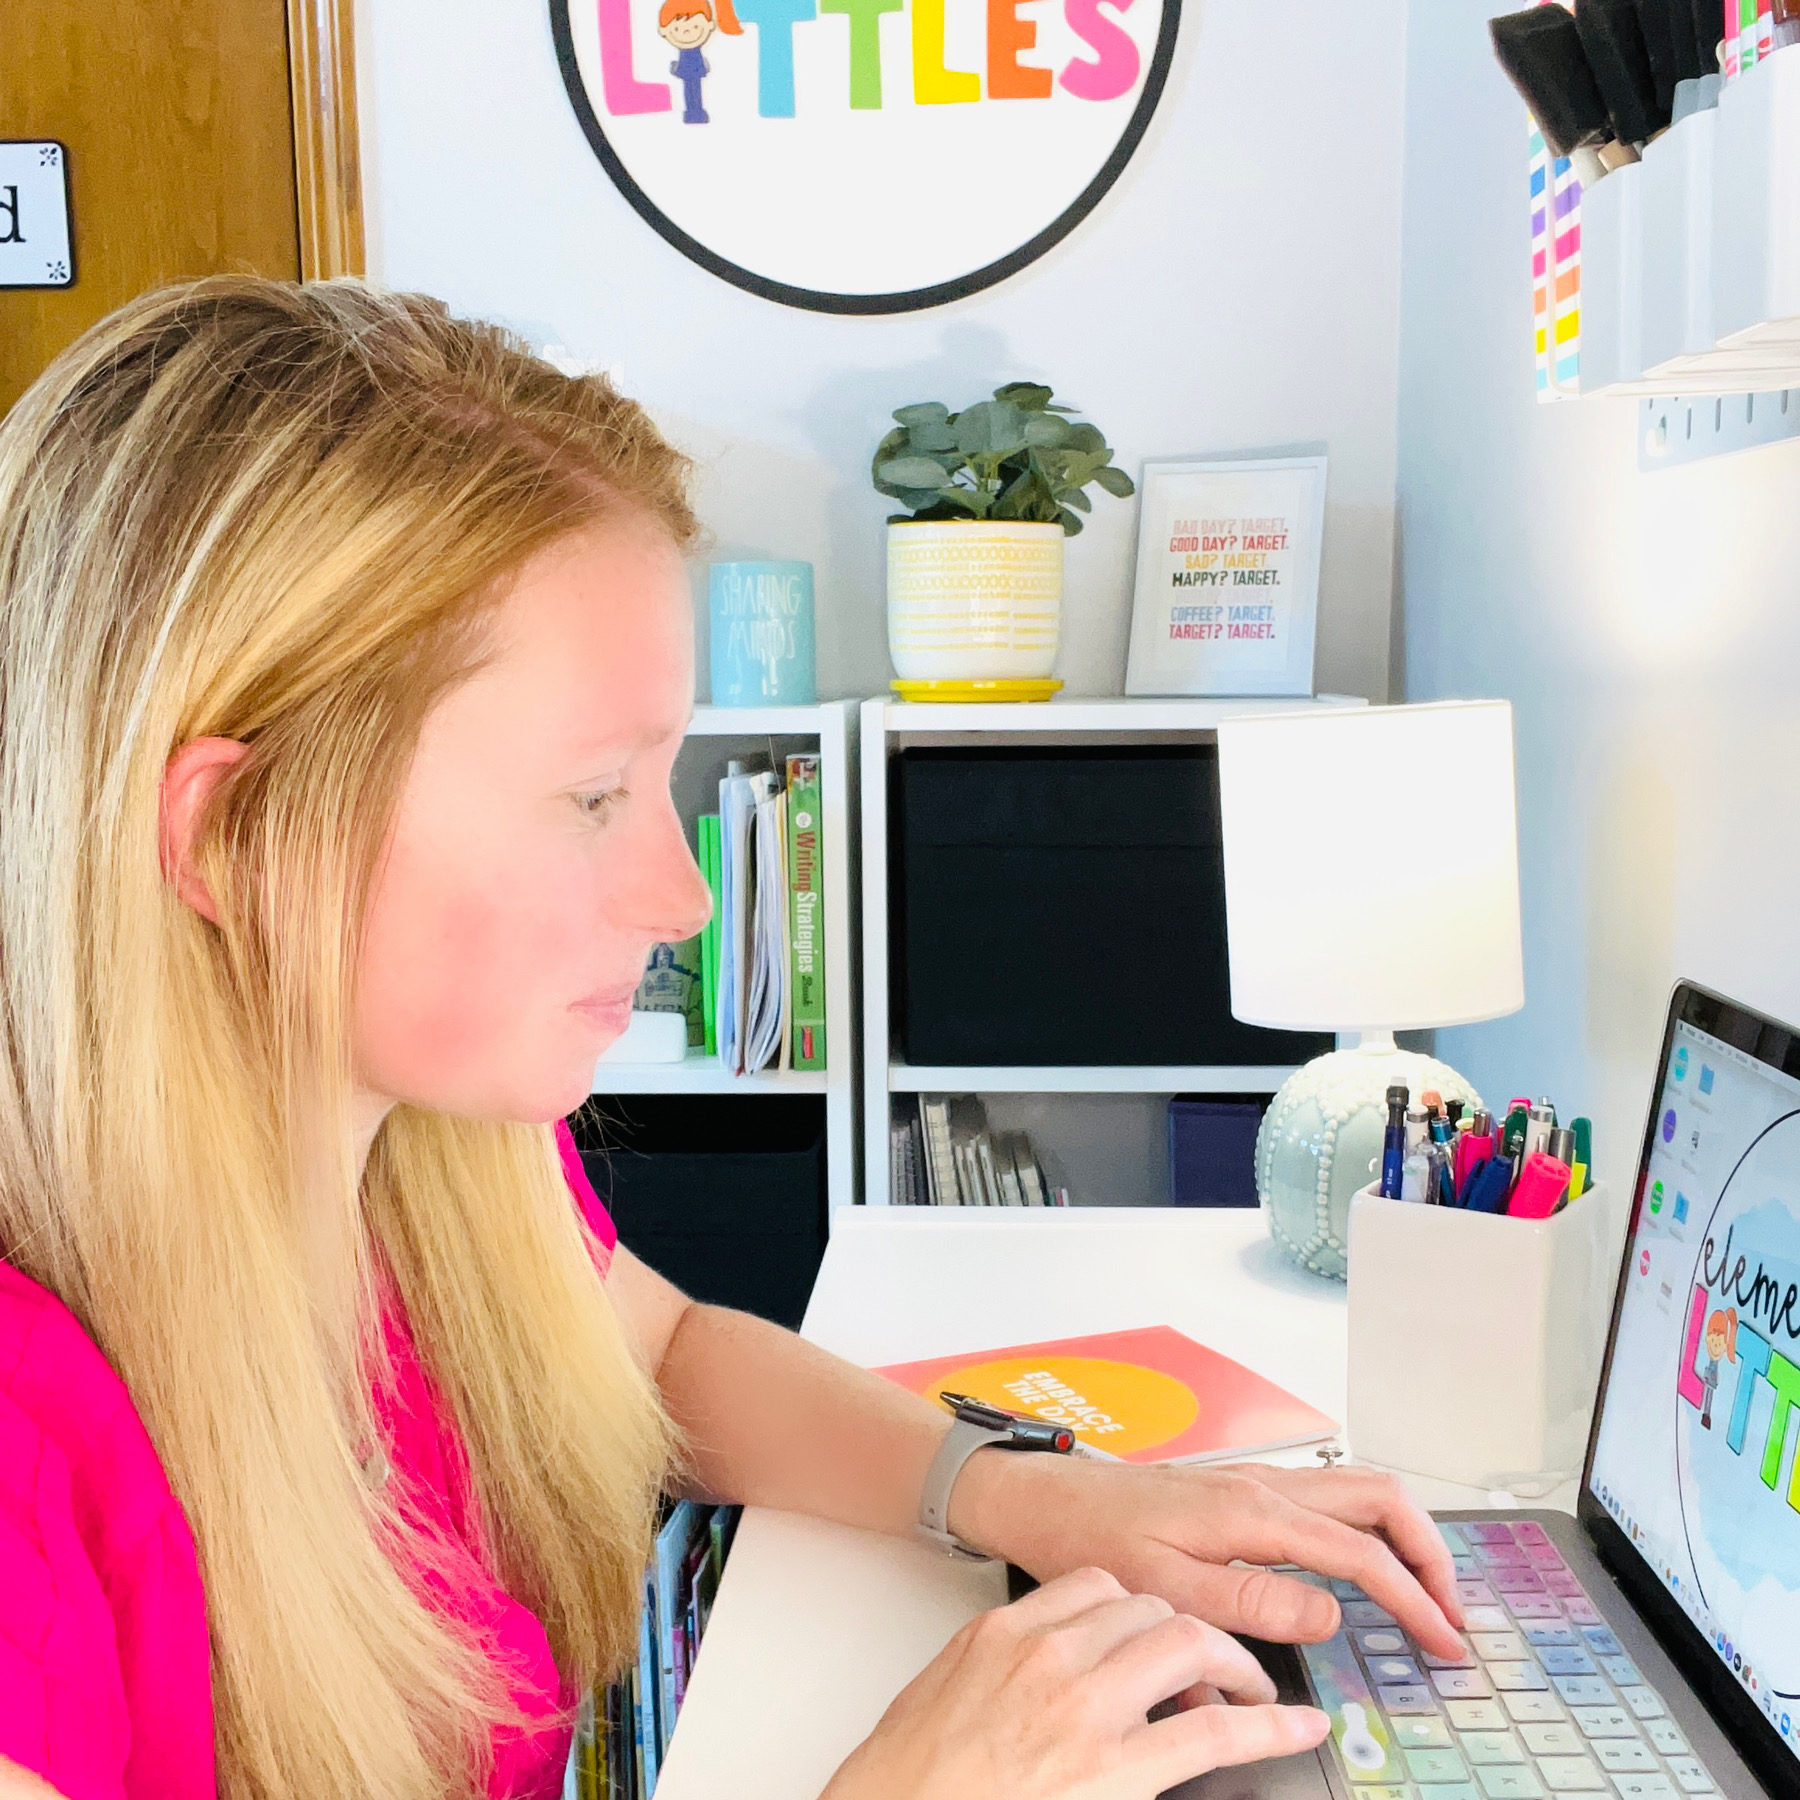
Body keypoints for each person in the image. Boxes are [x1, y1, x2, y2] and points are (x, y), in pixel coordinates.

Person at [0, 278, 1465, 1800]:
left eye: (667, 783)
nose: (688, 897)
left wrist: (1023, 1497)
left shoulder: (438, 1163)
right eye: (591, 799)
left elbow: (666, 1355)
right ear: (236, 837)